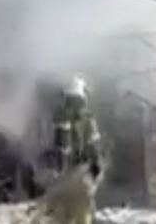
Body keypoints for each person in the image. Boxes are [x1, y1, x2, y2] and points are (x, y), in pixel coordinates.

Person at [39, 75, 106, 224]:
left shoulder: (58, 116)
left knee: (60, 218)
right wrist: (96, 171)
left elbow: (55, 149)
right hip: (81, 177)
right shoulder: (88, 119)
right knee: (83, 216)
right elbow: (95, 149)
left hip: (60, 179)